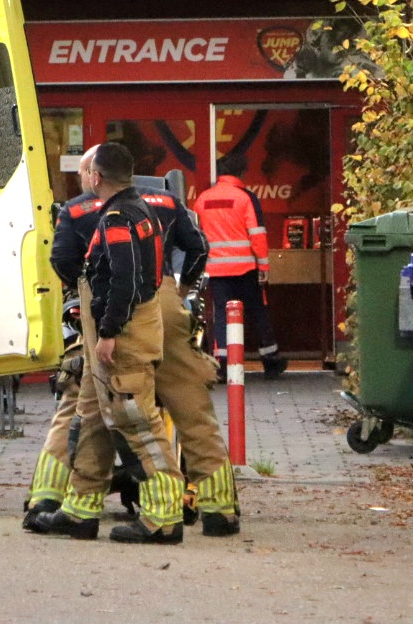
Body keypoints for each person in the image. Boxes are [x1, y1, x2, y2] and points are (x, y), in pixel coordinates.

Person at [23, 148, 240, 536]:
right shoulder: (165, 202)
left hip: (111, 314)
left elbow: (63, 262)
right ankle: (219, 509)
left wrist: (89, 295)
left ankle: (51, 498)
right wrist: (182, 287)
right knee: (190, 407)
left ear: (94, 174)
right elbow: (199, 248)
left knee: (87, 405)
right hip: (166, 304)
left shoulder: (77, 211)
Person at [193, 150, 288, 378]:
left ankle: (223, 365)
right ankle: (270, 360)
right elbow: (257, 235)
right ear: (241, 173)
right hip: (245, 269)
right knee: (257, 312)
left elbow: (196, 235)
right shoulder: (246, 198)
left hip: (216, 270)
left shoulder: (202, 199)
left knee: (222, 316)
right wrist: (263, 267)